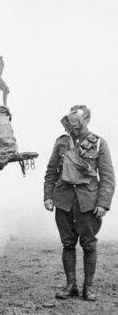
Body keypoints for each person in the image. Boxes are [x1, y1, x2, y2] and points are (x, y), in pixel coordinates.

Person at [43, 105, 115, 301]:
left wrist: (103, 203)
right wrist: (48, 196)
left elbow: (108, 177)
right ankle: (70, 286)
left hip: (88, 202)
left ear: (87, 121)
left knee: (89, 245)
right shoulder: (62, 143)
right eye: (71, 122)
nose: (74, 126)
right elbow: (51, 172)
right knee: (67, 244)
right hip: (64, 200)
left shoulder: (99, 143)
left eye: (78, 122)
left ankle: (88, 288)